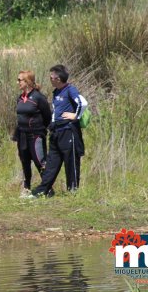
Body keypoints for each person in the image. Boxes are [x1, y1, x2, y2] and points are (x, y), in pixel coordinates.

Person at [31, 64, 87, 197]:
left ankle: (72, 192)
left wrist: (75, 116)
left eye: (51, 77)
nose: (50, 79)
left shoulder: (70, 90)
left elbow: (82, 103)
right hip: (56, 132)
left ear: (58, 78)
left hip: (68, 131)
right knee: (51, 162)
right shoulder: (56, 92)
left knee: (70, 162)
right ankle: (42, 191)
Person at [13, 70, 52, 197]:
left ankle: (48, 188)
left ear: (28, 82)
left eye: (20, 80)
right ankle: (26, 188)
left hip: (35, 136)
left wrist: (40, 130)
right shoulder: (20, 97)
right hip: (22, 135)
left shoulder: (38, 97)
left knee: (40, 161)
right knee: (24, 161)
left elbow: (47, 117)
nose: (17, 82)